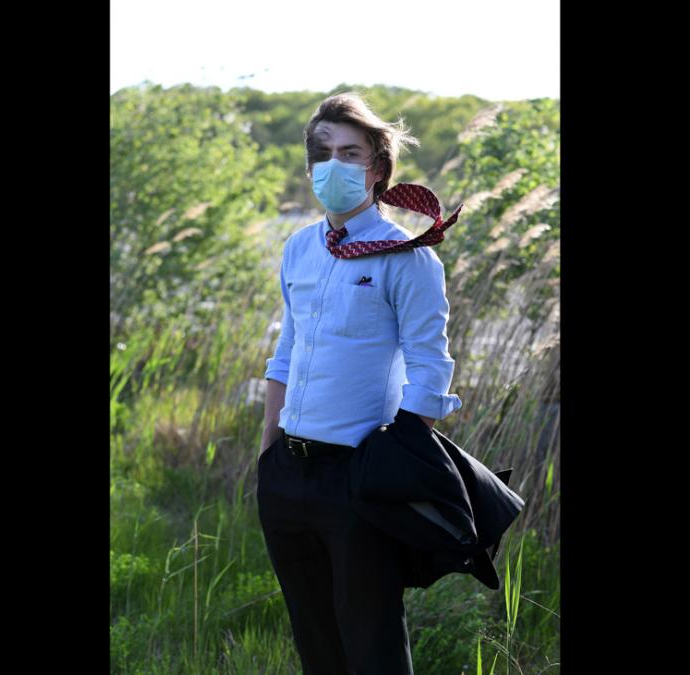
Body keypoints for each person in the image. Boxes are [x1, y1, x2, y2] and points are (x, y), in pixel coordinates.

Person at [256, 92, 462, 675]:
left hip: (359, 477)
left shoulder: (408, 257)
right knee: (314, 639)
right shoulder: (299, 248)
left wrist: (393, 462)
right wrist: (267, 455)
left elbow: (430, 369)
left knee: (371, 643)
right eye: (322, 153)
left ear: (377, 168)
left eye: (350, 152)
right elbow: (286, 352)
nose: (334, 165)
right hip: (287, 475)